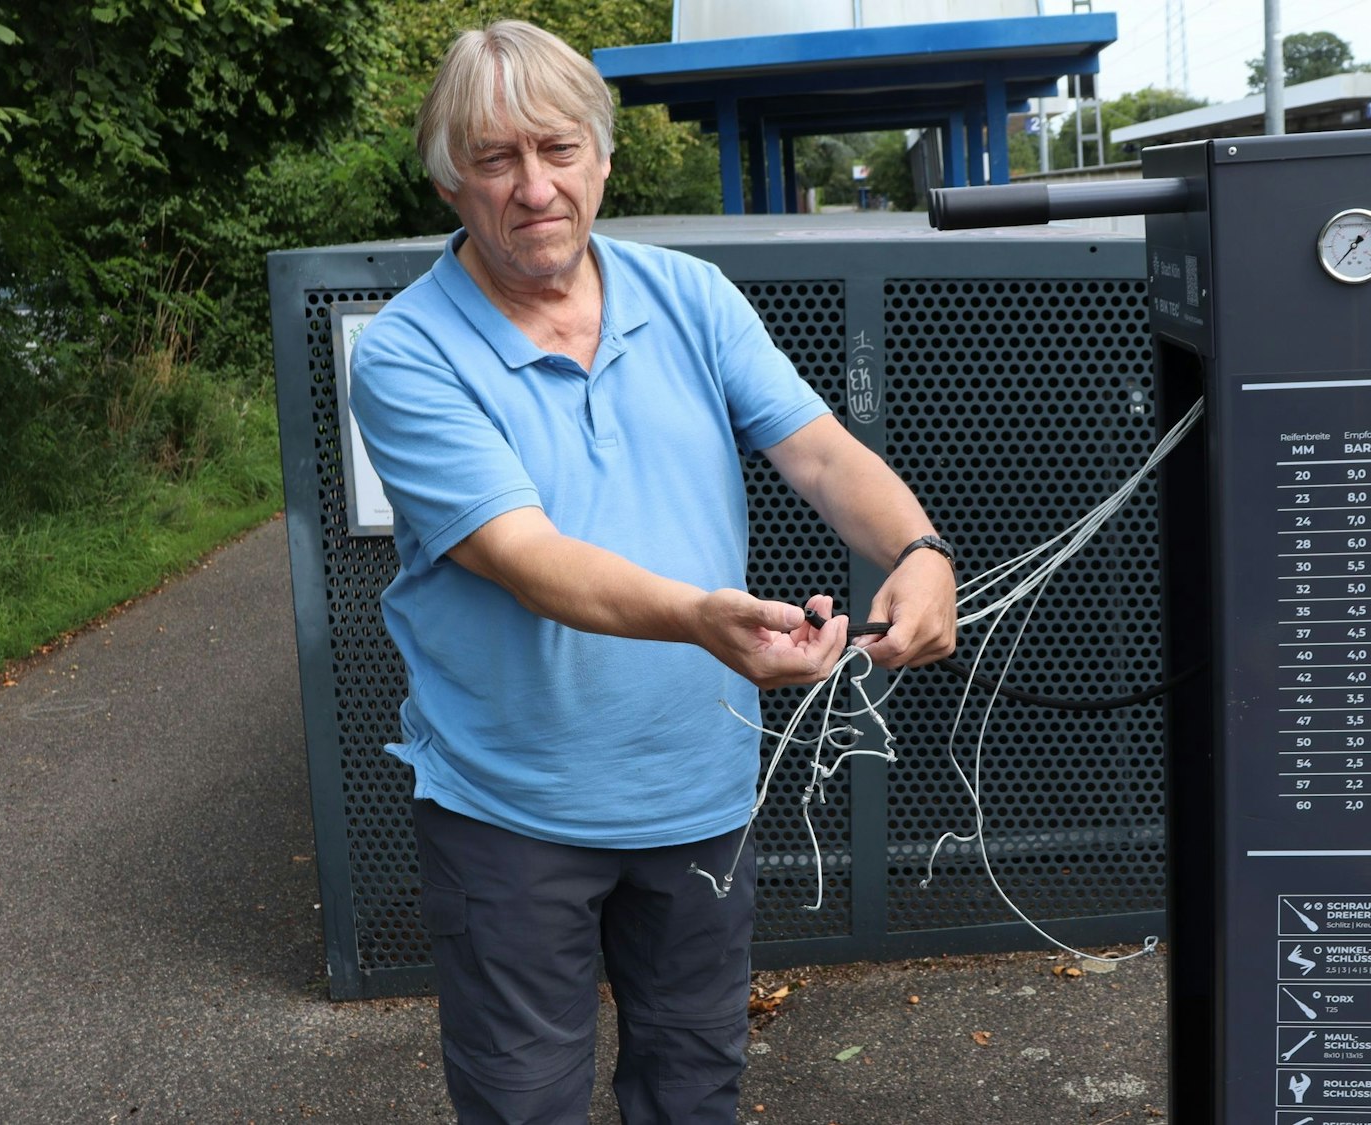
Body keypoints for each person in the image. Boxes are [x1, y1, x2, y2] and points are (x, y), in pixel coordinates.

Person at [348, 20, 959, 1125]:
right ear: (448, 186)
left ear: (602, 159)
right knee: (521, 1102)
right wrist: (696, 617)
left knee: (692, 1090)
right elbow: (527, 560)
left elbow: (819, 453)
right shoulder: (406, 353)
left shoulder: (690, 296)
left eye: (558, 150)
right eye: (494, 159)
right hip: (511, 811)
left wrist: (919, 551)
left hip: (700, 791)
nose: (533, 187)